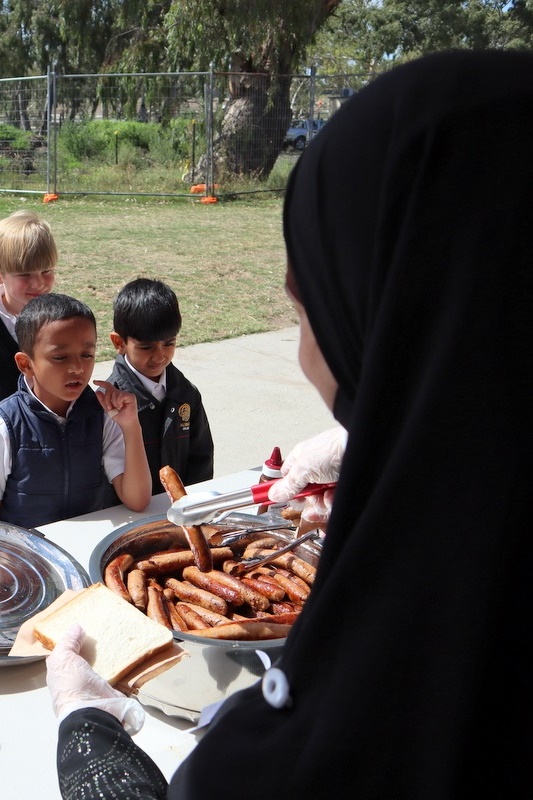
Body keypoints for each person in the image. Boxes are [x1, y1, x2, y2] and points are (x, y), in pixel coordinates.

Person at [46, 48, 533, 799]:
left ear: (397, 315)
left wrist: (84, 723)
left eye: (306, 309)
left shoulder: (396, 674)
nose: (305, 350)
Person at [0, 293, 151, 528]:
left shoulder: (102, 414)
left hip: (88, 547)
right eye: (60, 357)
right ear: (25, 364)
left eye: (87, 355)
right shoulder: (7, 423)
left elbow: (137, 500)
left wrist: (131, 427)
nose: (77, 368)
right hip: (30, 554)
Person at [104, 277, 213, 502]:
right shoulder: (110, 402)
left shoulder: (186, 395)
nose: (159, 355)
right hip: (128, 514)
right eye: (146, 347)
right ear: (119, 343)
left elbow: (201, 459)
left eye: (169, 343)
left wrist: (193, 505)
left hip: (181, 511)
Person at [0, 210, 58, 401]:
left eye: (46, 271)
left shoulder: (58, 318)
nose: (39, 283)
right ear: (2, 274)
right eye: (25, 274)